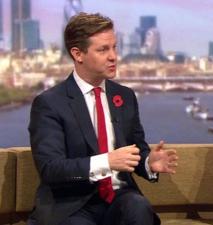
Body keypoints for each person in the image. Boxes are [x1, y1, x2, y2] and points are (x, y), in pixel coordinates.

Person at [28, 12, 178, 225]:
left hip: (119, 198)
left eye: (114, 47)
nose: (113, 56)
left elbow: (136, 149)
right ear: (78, 54)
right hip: (71, 203)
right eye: (103, 49)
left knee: (139, 208)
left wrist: (148, 162)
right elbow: (51, 169)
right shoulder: (50, 103)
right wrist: (107, 162)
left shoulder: (124, 96)